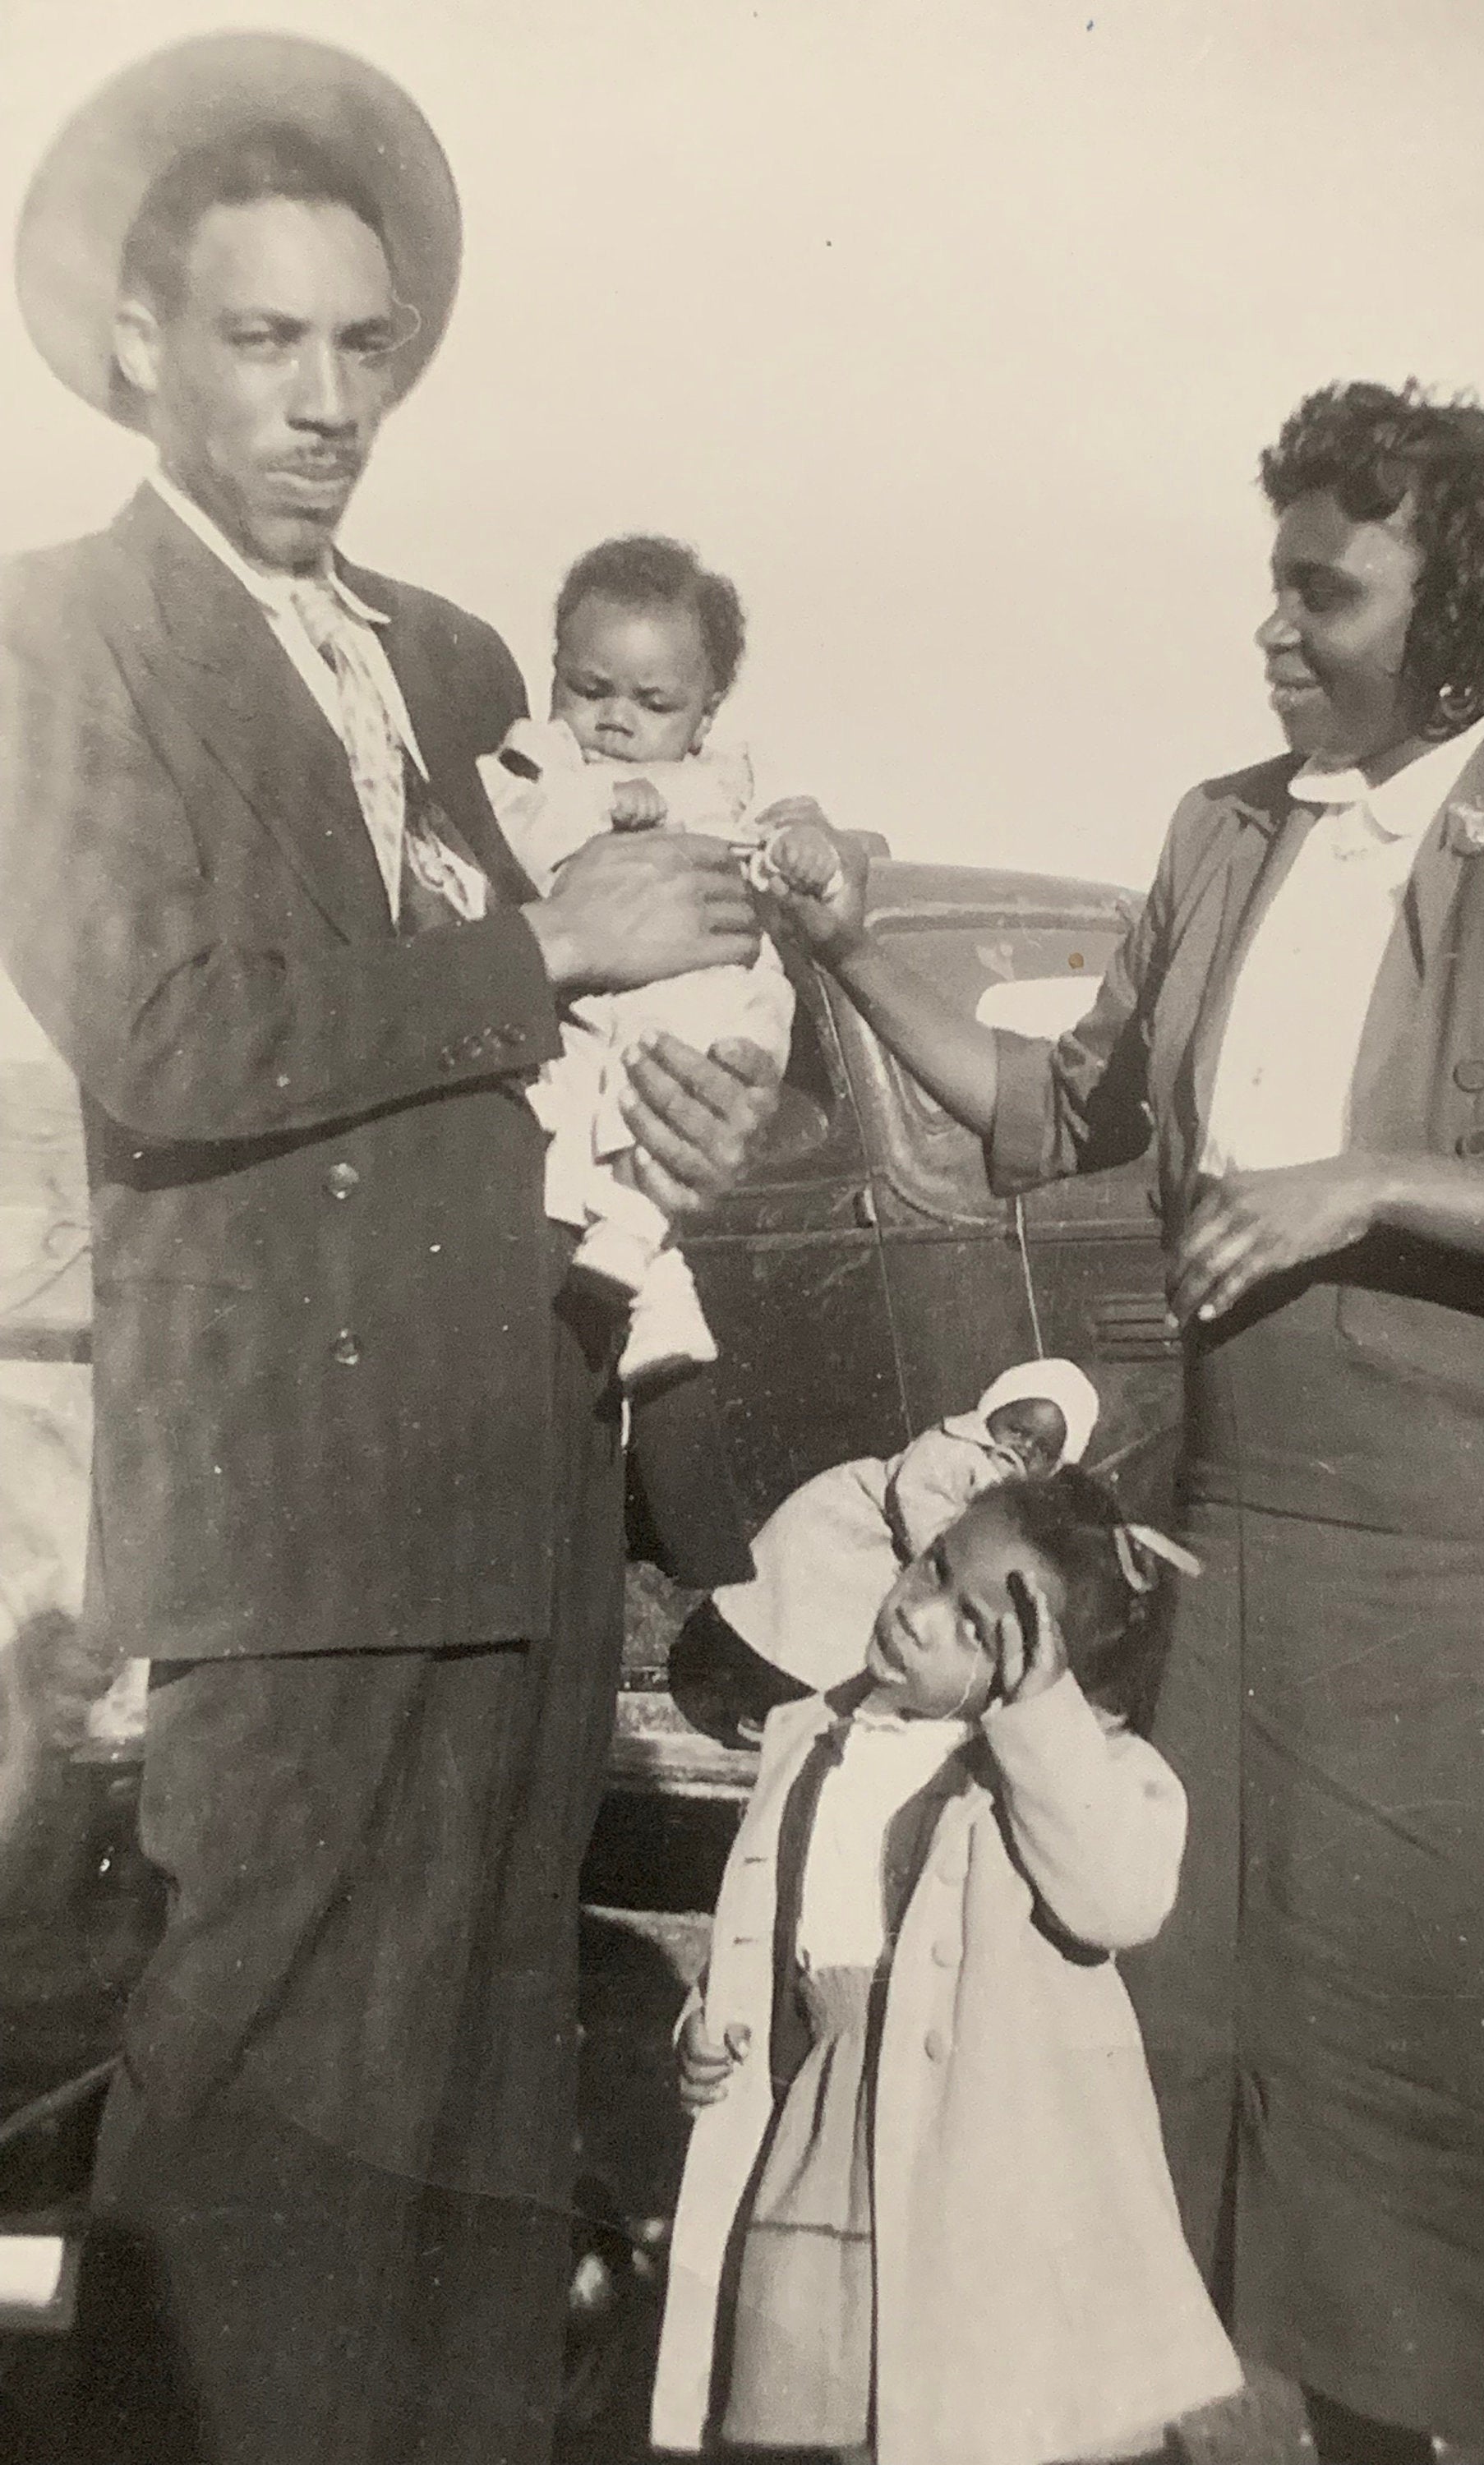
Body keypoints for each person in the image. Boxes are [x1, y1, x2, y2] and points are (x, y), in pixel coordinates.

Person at [766, 381, 1484, 2465]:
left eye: (1326, 590)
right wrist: (845, 942)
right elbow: (1057, 1113)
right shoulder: (1225, 830)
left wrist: (1372, 1182)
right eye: (1273, 584)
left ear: (1465, 606)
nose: (1275, 629)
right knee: (1195, 2109)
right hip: (1249, 1579)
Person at [0, 35, 779, 2465]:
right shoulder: (56, 637)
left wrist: (682, 1084)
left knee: (469, 2156)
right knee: (245, 2172)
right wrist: (545, 954)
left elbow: (570, 1018)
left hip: (519, 1489)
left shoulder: (459, 661)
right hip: (291, 1526)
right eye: (264, 341)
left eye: (364, 347)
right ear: (139, 341)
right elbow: (165, 1031)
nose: (329, 400)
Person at [652, 1471, 1242, 2465]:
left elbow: (1118, 1897)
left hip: (972, 2157)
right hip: (812, 2127)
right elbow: (772, 1915)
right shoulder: (813, 1737)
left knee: (966, 2409)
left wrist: (1045, 1721)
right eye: (934, 1570)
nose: (921, 1615)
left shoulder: (1064, 1771)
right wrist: (708, 2021)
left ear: (1038, 1673)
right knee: (822, 2398)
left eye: (978, 1628)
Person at [482, 532, 837, 1387]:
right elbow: (523, 834)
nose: (616, 720)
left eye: (654, 703)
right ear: (555, 671)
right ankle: (650, 1268)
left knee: (737, 1043)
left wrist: (808, 846)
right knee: (597, 1088)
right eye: (590, 689)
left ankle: (646, 1260)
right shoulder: (543, 759)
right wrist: (606, 804)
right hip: (610, 990)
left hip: (721, 979)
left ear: (705, 712)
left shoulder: (727, 773)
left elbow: (788, 826)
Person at [707, 1357, 1101, 1695]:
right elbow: (917, 1496)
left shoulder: (1014, 1500)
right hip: (862, 1528)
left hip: (902, 1561)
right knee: (805, 1609)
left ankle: (806, 1692)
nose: (1024, 1448)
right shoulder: (955, 1449)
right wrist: (952, 1556)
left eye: (1043, 1449)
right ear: (990, 1413)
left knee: (858, 1638)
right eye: (1018, 1430)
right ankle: (764, 1679)